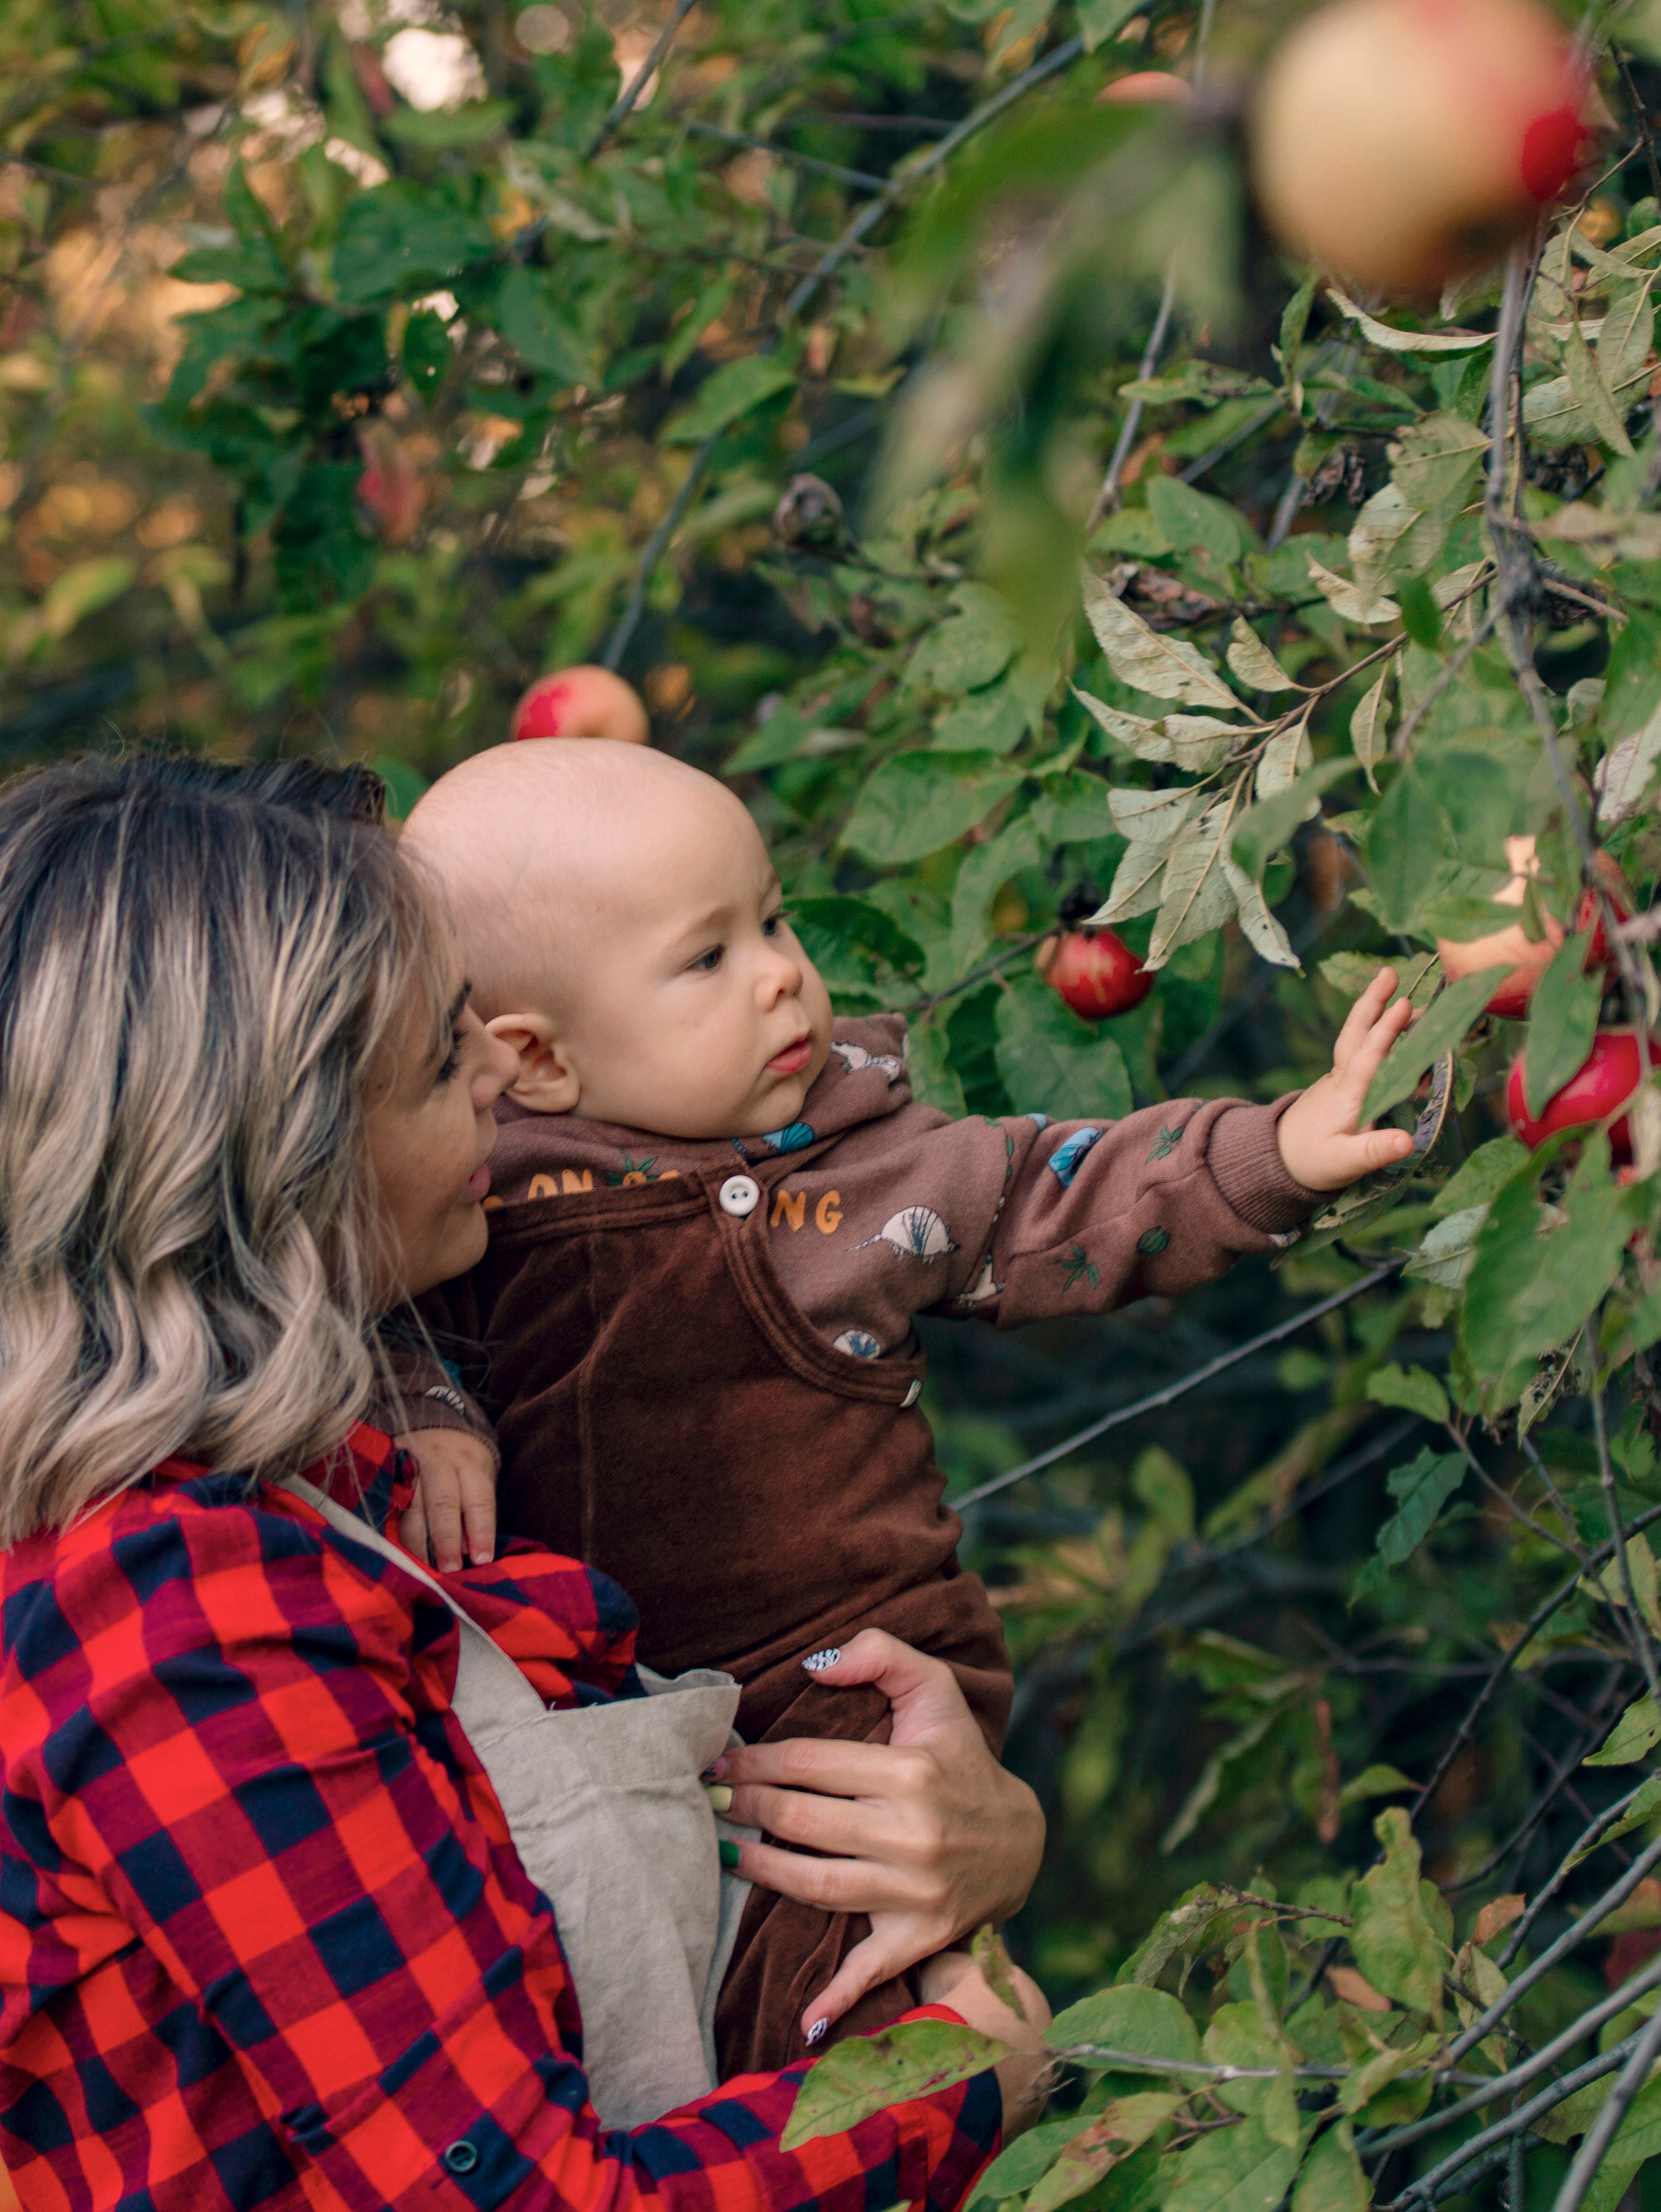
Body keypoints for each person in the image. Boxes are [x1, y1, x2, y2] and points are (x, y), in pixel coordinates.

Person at [0, 751, 1050, 2212]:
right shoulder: (164, 1627)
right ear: (267, 1153)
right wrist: (963, 2084)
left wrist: (973, 1839)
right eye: (425, 1071)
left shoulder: (378, 1514)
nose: (496, 1099)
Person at [399, 739, 1418, 2077]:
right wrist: (427, 1405)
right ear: (532, 1059)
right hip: (624, 1714)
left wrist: (1278, 1153)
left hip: (846, 1689)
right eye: (707, 959)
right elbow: (369, 1313)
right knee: (637, 1996)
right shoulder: (463, 1202)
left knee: (848, 1993)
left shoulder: (851, 1178)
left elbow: (1066, 1189)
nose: (782, 973)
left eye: (769, 920)